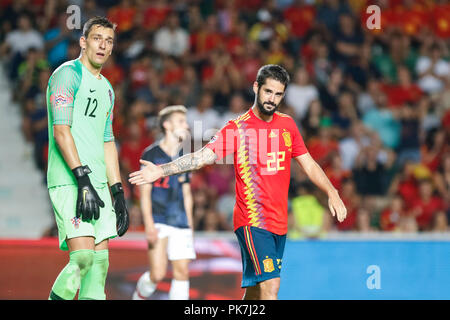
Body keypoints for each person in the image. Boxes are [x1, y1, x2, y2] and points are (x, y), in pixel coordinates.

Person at [129, 64, 347, 300]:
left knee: (255, 291)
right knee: (271, 286)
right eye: (268, 92)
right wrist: (162, 170)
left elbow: (310, 164)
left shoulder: (288, 125)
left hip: (279, 223)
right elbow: (201, 157)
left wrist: (332, 192)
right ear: (256, 87)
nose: (272, 99)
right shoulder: (237, 129)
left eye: (278, 94)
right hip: (252, 221)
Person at [46, 16, 129, 300]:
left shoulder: (107, 88)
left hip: (99, 184)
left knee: (99, 266)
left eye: (108, 41)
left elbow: (107, 142)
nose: (103, 46)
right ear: (83, 41)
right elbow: (61, 131)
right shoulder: (67, 75)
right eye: (97, 38)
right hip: (70, 181)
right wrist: (82, 179)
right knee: (82, 258)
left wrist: (117, 190)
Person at [132, 105, 195, 300]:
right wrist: (149, 224)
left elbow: (186, 193)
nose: (186, 125)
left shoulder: (185, 156)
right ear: (167, 125)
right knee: (157, 274)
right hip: (158, 219)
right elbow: (144, 193)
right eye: (181, 121)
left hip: (180, 219)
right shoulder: (151, 154)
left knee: (182, 272)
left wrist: (190, 225)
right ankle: (139, 295)